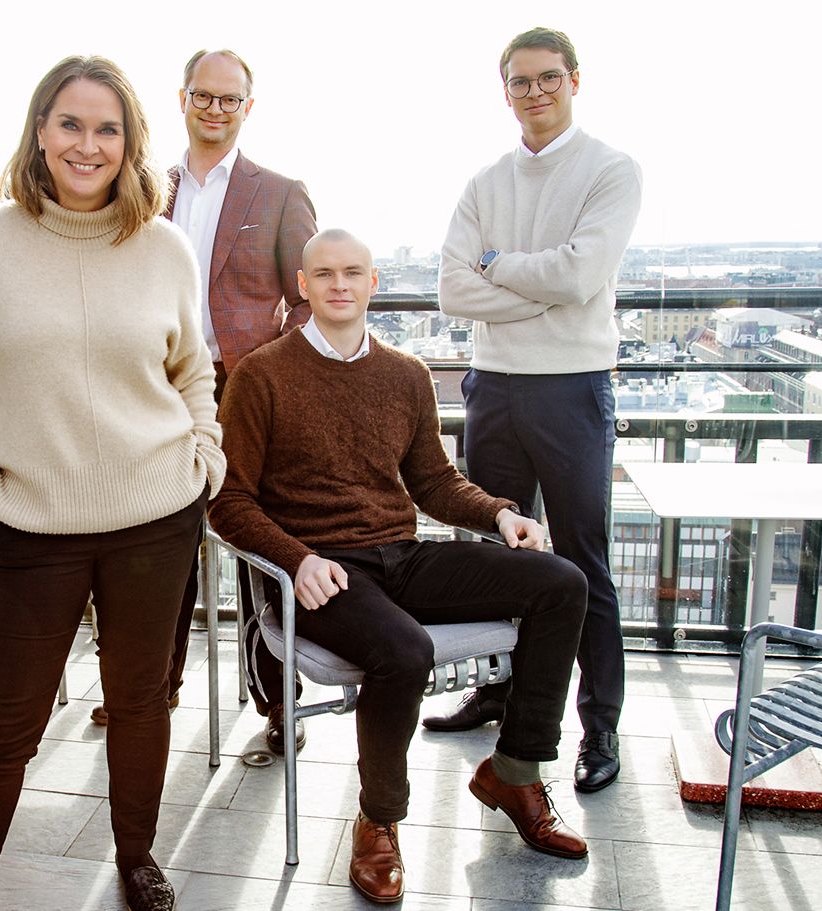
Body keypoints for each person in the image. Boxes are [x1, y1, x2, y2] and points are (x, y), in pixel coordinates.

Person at [0, 56, 224, 911]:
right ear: (39, 131)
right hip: (26, 525)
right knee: (5, 724)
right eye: (70, 124)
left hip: (155, 516)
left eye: (107, 129)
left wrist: (203, 458)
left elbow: (192, 368)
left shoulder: (163, 246)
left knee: (140, 702)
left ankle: (137, 858)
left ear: (131, 142)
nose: (87, 145)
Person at [209, 229, 590, 903]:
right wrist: (297, 560)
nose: (339, 284)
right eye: (325, 273)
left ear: (373, 283)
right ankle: (378, 819)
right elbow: (228, 500)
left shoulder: (406, 374)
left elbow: (434, 482)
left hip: (401, 555)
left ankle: (516, 772)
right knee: (405, 652)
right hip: (324, 571)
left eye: (353, 272)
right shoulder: (261, 375)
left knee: (561, 584)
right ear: (303, 285)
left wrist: (501, 515)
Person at [87, 48, 318, 757]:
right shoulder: (143, 189)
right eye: (203, 95)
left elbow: (307, 301)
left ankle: (278, 699)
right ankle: (150, 688)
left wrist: (270, 378)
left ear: (248, 106)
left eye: (229, 98)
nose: (215, 108)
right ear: (182, 98)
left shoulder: (281, 193)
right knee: (155, 547)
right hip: (154, 392)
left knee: (256, 546)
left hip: (242, 392)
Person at [432, 26, 643, 795]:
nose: (535, 92)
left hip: (572, 386)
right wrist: (541, 290)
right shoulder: (485, 182)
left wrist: (500, 268)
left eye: (548, 77)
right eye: (520, 81)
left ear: (574, 81)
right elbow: (452, 289)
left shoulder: (610, 170)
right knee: (496, 554)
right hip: (493, 385)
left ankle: (600, 725)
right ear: (506, 92)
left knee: (583, 559)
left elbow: (582, 276)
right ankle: (496, 694)